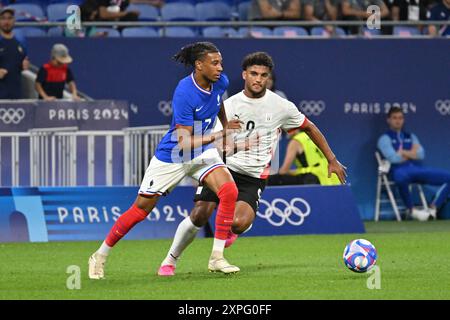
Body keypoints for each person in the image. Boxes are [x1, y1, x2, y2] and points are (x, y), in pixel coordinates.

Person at [157, 52, 347, 276]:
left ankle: (233, 232)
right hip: (224, 167)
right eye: (254, 74)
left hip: (254, 176)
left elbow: (310, 128)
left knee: (237, 223)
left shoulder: (281, 106)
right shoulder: (228, 104)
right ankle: (170, 260)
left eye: (263, 75)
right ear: (244, 75)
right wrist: (235, 147)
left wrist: (332, 160)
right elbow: (216, 143)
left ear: (269, 78)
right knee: (200, 213)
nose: (258, 79)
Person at [88, 42, 244, 279]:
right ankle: (100, 255)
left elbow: (218, 103)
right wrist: (219, 134)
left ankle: (217, 257)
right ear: (199, 65)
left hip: (202, 151)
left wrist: (225, 123)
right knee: (140, 210)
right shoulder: (184, 92)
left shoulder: (220, 81)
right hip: (174, 155)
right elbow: (183, 142)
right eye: (214, 63)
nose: (220, 68)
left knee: (229, 191)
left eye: (220, 62)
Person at [377, 106, 450, 220]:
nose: (398, 120)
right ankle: (411, 210)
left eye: (400, 118)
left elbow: (421, 154)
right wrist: (411, 152)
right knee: (400, 177)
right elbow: (393, 158)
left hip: (415, 169)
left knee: (448, 177)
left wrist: (402, 152)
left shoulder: (411, 136)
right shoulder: (384, 139)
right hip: (397, 170)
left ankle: (433, 208)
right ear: (389, 120)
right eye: (394, 118)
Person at [269, 128, 341, 185]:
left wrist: (294, 172)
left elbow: (283, 171)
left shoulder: (295, 142)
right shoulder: (311, 136)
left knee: (273, 179)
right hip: (332, 177)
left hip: (314, 178)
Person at [0, 7, 29, 99]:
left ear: (14, 20)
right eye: (3, 18)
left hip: (16, 96)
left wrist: (24, 66)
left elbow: (22, 65)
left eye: (9, 18)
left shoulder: (20, 43)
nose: (6, 22)